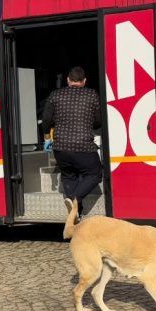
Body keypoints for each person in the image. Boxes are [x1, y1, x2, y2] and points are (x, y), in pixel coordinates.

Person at [42, 66, 102, 216]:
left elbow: (46, 120)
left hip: (61, 147)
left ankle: (75, 211)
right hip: (84, 147)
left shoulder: (55, 95)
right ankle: (75, 199)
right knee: (94, 174)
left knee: (69, 175)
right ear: (84, 81)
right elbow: (99, 120)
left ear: (68, 80)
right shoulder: (92, 95)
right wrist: (89, 123)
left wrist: (47, 138)